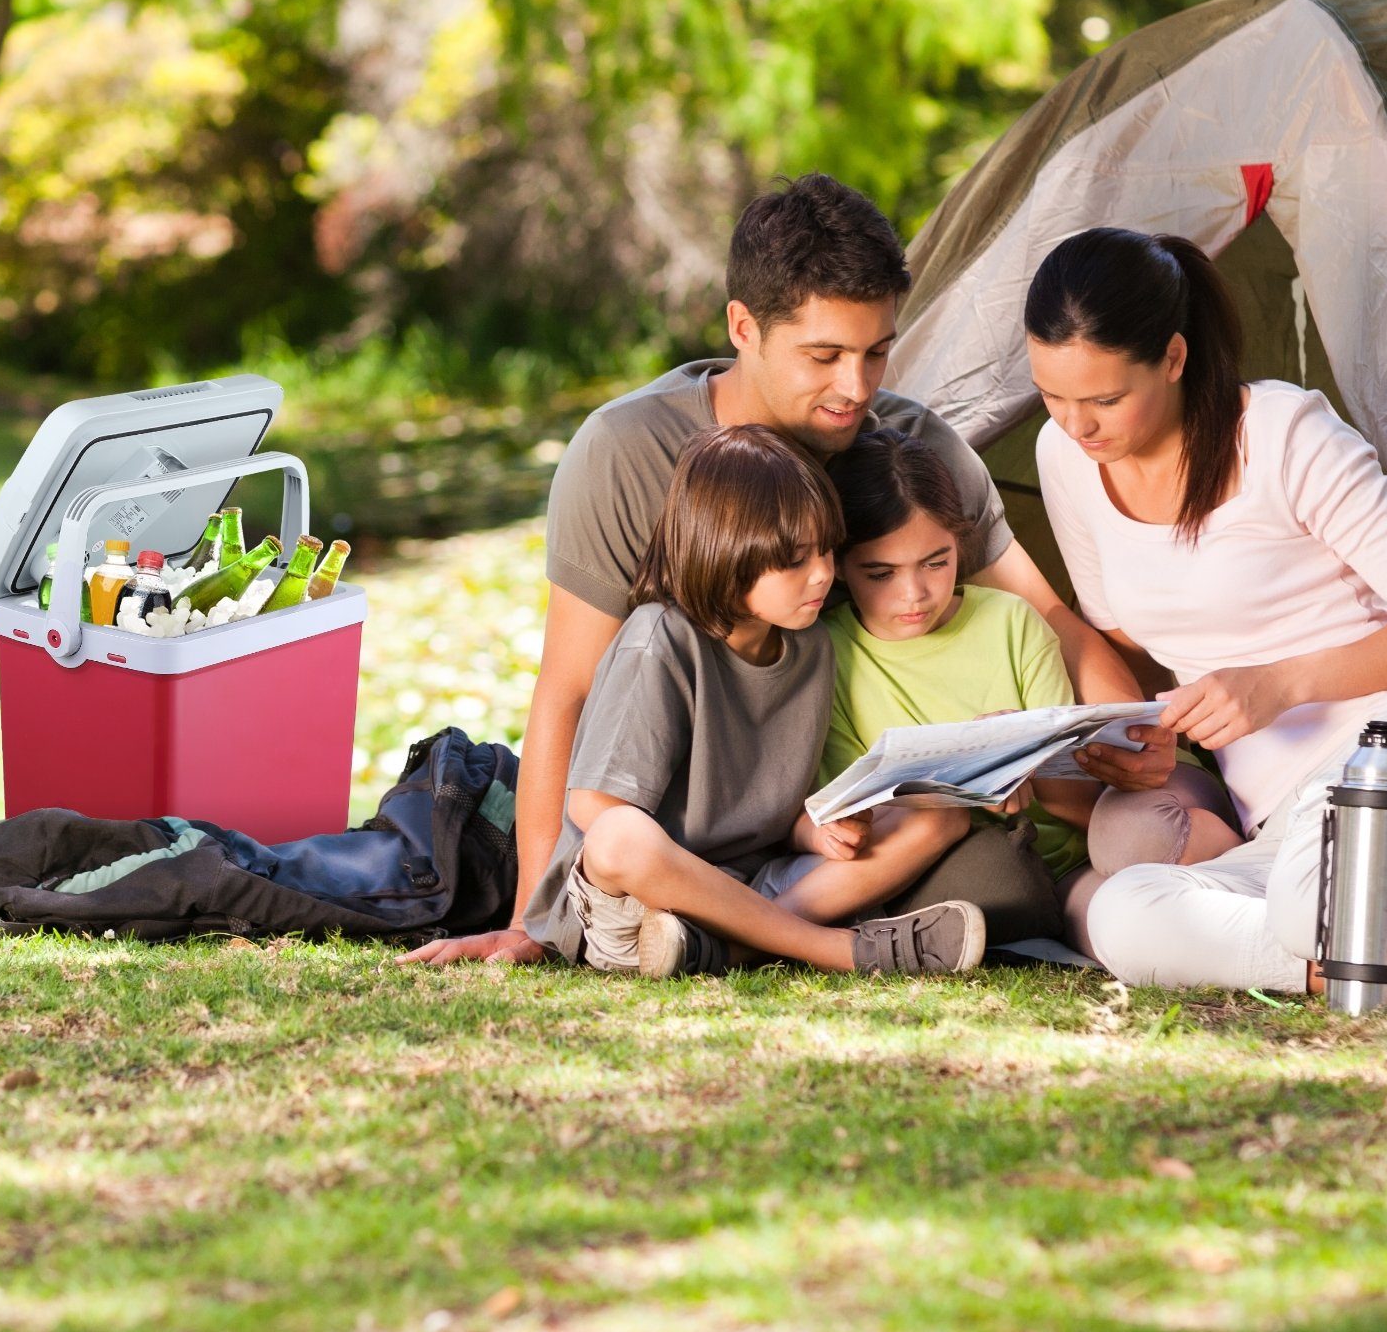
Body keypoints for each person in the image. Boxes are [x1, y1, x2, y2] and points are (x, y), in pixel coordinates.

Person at [411, 174, 1160, 967]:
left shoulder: (911, 449)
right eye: (824, 355)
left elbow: (1053, 620)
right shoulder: (626, 454)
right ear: (744, 326)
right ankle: (800, 942)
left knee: (992, 881)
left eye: (877, 352)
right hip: (680, 825)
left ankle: (725, 936)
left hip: (825, 832)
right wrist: (532, 919)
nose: (857, 388)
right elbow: (568, 689)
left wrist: (1140, 745)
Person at [1024, 228, 1387, 990]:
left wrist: (1280, 683)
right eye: (1052, 396)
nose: (1078, 425)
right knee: (1122, 909)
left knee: (1321, 882)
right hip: (1279, 824)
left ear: (1173, 358)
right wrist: (1146, 736)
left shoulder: (1281, 436)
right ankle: (1335, 963)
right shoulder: (1064, 457)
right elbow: (1131, 638)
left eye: (1105, 399)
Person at [496, 424, 986, 979]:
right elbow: (593, 809)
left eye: (826, 549)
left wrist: (813, 830)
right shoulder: (660, 640)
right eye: (795, 560)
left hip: (755, 885)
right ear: (726, 555)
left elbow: (769, 809)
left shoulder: (811, 646)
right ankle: (838, 950)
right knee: (617, 836)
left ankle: (730, 949)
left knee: (941, 816)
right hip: (636, 904)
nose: (823, 574)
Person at [773, 428, 1242, 946]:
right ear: (839, 566)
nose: (914, 594)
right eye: (881, 574)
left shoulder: (1010, 620)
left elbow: (1080, 806)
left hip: (1088, 842)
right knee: (1127, 930)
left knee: (1135, 841)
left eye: (936, 562)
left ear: (960, 545)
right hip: (1012, 876)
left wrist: (1021, 758)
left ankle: (1248, 858)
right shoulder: (831, 654)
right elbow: (864, 814)